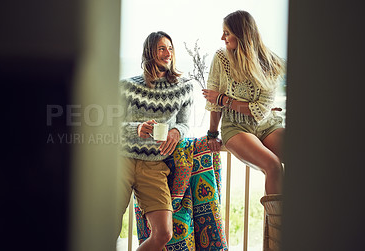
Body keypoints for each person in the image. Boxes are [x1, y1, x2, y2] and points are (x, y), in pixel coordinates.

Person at [118, 31, 194, 250]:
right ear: (149, 52)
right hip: (121, 161)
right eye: (161, 48)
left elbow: (185, 123)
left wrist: (176, 132)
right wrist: (136, 128)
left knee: (163, 233)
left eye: (170, 48)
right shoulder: (127, 87)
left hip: (154, 166)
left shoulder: (184, 88)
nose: (167, 53)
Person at [202, 10, 286, 195]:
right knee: (273, 166)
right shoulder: (221, 58)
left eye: (227, 33)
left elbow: (261, 110)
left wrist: (224, 99)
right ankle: (277, 224)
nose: (222, 37)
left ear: (241, 34)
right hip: (236, 127)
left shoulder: (269, 62)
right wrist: (212, 134)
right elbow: (214, 104)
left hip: (268, 125)